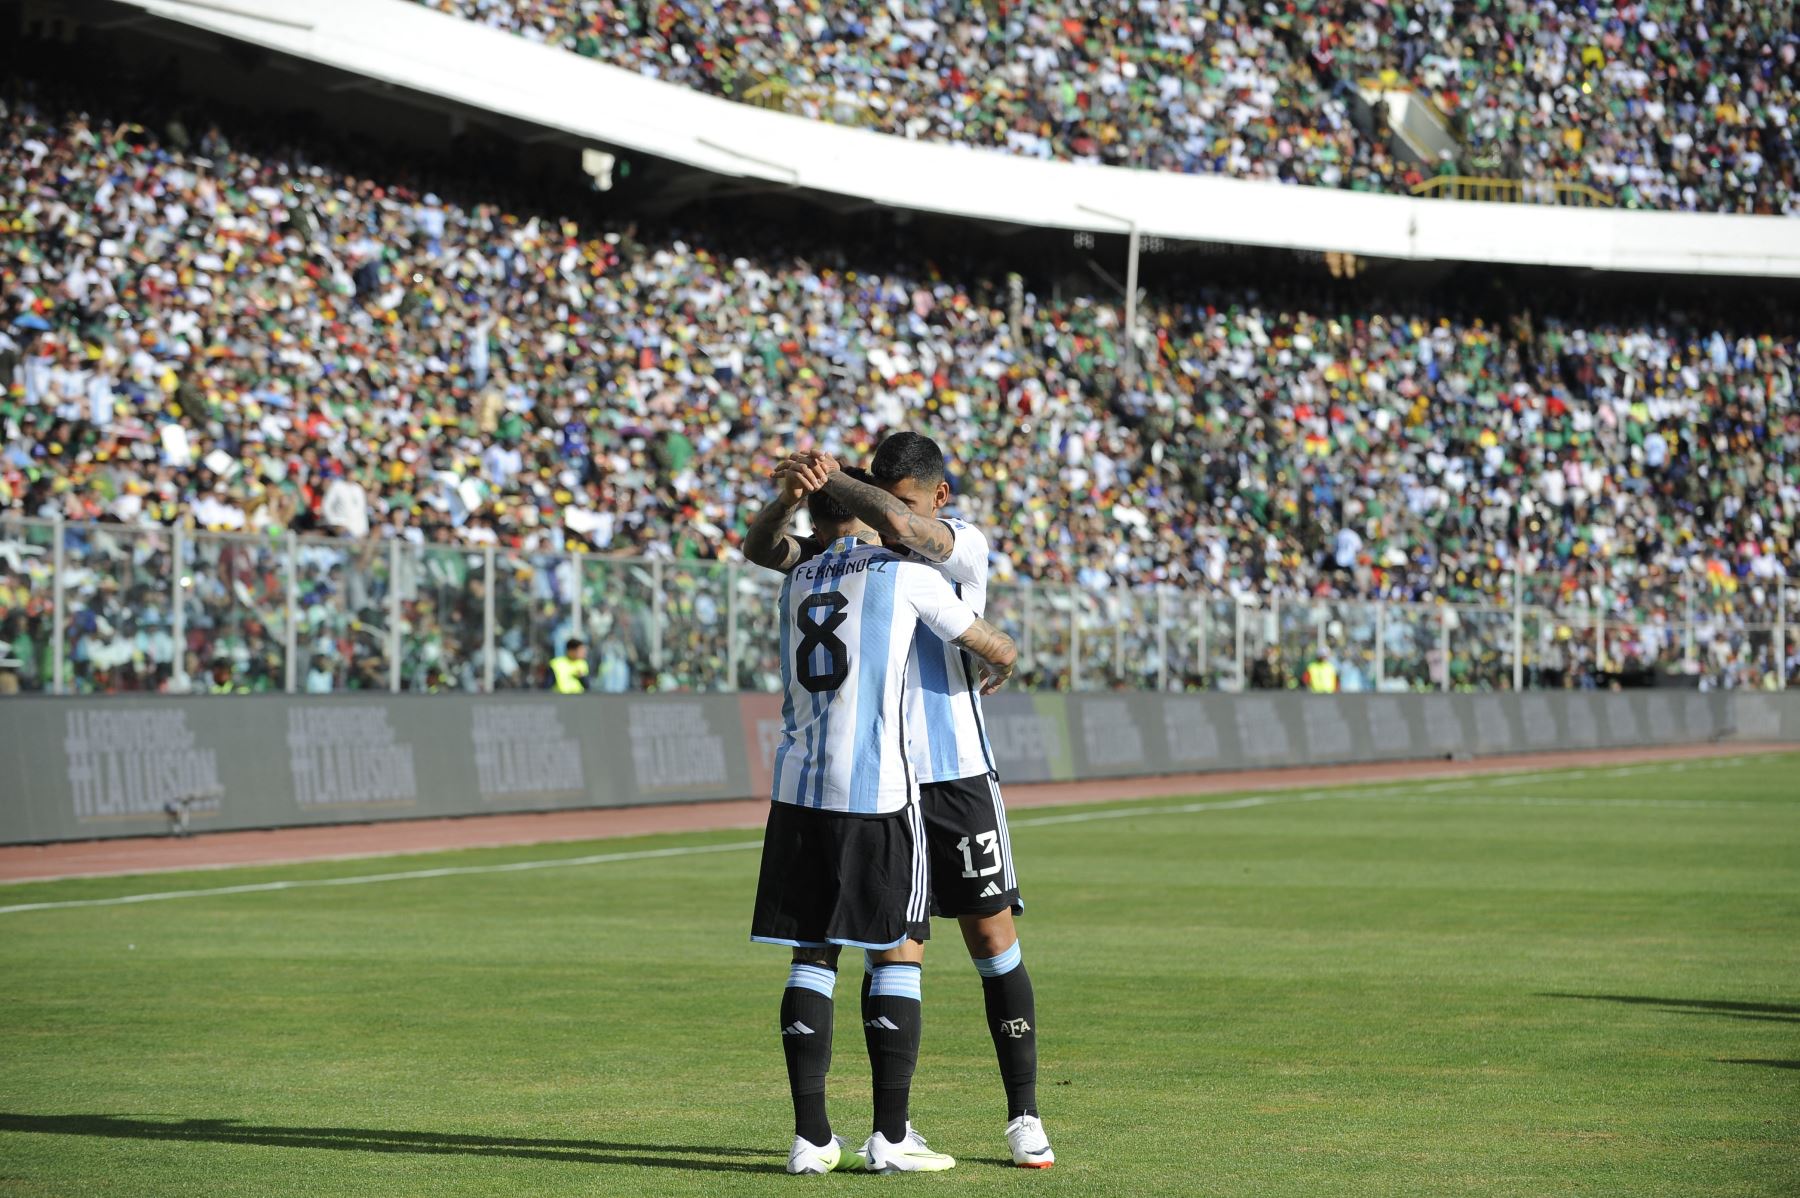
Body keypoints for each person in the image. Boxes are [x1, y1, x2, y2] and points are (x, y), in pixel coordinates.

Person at [748, 433, 1055, 1169]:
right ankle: (895, 1127)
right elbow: (772, 552)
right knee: (892, 945)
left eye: (902, 504)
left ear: (936, 499)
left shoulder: (957, 546)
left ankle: (1024, 1116)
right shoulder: (857, 563)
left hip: (955, 775)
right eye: (878, 503)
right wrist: (812, 493)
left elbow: (902, 528)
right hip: (885, 778)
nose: (891, 520)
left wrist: (835, 482)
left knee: (990, 938)